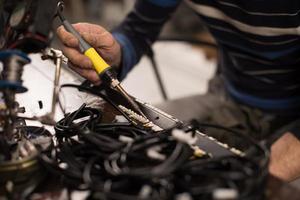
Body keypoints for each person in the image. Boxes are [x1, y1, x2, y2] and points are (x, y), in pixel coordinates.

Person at [57, 0, 300, 181]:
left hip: (292, 116)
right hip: (229, 96)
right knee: (117, 145)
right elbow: (139, 29)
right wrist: (116, 53)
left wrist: (262, 181)